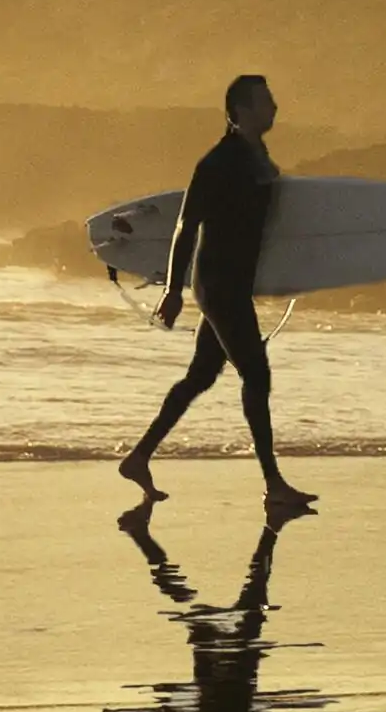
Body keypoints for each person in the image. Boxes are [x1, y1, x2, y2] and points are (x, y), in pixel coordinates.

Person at [117, 74, 316, 511]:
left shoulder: (255, 156)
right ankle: (273, 485)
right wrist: (173, 290)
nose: (275, 107)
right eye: (266, 101)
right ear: (241, 111)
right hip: (219, 285)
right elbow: (186, 225)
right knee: (257, 374)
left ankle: (139, 457)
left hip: (234, 282)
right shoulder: (219, 163)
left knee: (201, 376)